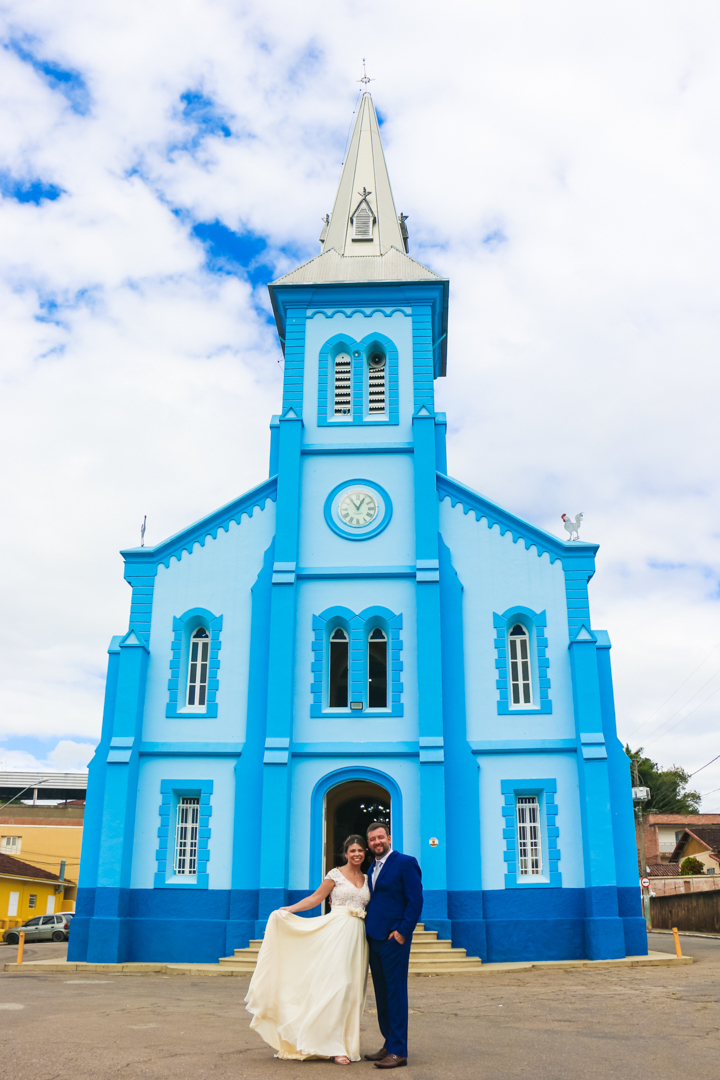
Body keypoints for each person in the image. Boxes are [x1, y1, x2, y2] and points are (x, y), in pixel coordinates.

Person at [245, 834, 370, 1065]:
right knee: (336, 986)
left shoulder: (367, 878)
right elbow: (315, 898)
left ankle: (344, 1042)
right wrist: (290, 909)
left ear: (365, 853)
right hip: (336, 934)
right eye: (352, 851)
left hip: (358, 938)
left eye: (360, 850)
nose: (356, 854)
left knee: (351, 992)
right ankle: (333, 1047)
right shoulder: (335, 874)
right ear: (346, 853)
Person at [364, 821, 423, 1070]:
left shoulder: (405, 862)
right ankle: (389, 1043)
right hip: (374, 939)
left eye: (380, 837)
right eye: (372, 840)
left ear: (389, 838)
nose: (377, 842)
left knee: (395, 993)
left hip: (393, 940)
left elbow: (416, 900)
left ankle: (399, 1051)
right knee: (381, 994)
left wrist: (402, 932)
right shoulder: (371, 868)